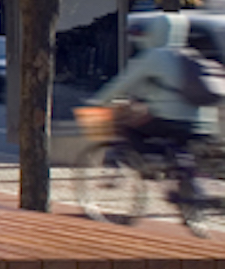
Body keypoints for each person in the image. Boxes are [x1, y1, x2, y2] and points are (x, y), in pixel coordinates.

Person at [91, 14, 216, 185]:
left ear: (154, 32)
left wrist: (100, 100)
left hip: (169, 118)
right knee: (177, 150)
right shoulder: (190, 55)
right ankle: (181, 184)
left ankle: (150, 165)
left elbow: (123, 83)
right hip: (199, 121)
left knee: (130, 129)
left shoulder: (154, 56)